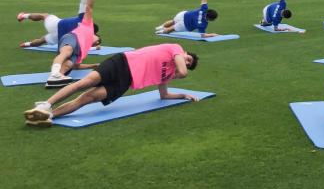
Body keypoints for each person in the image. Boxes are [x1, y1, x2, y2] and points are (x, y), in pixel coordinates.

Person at [24, 43, 199, 128]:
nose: (186, 62)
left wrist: (183, 95)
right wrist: (180, 71)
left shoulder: (168, 73)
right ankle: (45, 104)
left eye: (189, 63)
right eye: (188, 59)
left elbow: (164, 95)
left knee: (87, 98)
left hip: (125, 82)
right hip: (122, 63)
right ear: (184, 53)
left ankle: (48, 115)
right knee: (85, 83)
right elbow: (183, 72)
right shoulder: (175, 48)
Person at [43, 0, 102, 88]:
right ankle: (55, 74)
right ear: (94, 34)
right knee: (67, 52)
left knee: (69, 64)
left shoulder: (84, 50)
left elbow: (76, 66)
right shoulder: (87, 24)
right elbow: (88, 7)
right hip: (72, 37)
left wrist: (94, 65)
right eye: (97, 39)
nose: (97, 42)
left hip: (77, 48)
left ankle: (56, 78)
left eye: (97, 43)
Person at [17, 0, 101, 49]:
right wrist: (95, 46)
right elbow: (88, 43)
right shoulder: (84, 35)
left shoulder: (83, 19)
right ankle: (26, 44)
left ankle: (23, 15)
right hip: (60, 38)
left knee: (44, 16)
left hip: (56, 25)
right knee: (42, 41)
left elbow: (84, 3)